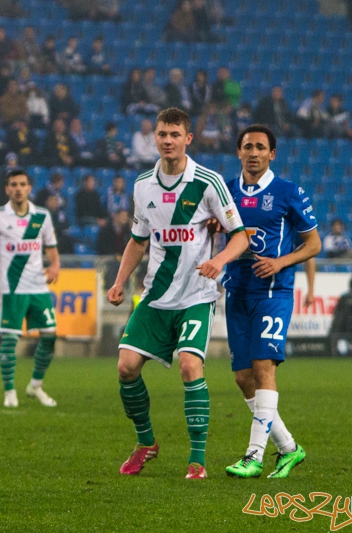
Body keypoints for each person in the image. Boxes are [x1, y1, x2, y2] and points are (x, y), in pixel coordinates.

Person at [106, 107, 249, 479]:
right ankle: (146, 443)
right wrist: (120, 281)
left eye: (174, 135)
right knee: (125, 367)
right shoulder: (142, 185)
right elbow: (138, 241)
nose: (167, 141)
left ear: (188, 138)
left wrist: (219, 260)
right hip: (156, 296)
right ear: (154, 137)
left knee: (189, 366)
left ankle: (197, 460)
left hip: (196, 296)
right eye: (162, 134)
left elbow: (240, 236)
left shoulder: (208, 181)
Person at [219, 124, 321, 479]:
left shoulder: (288, 192)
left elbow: (313, 244)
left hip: (273, 293)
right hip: (237, 291)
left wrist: (280, 262)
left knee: (263, 369)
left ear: (272, 154)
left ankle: (254, 456)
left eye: (260, 147)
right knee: (243, 377)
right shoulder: (225, 191)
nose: (254, 153)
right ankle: (290, 448)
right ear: (239, 151)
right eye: (248, 146)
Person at [0, 169, 61, 408]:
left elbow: (51, 245)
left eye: (22, 184)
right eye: (13, 184)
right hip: (12, 288)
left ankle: (35, 385)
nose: (18, 188)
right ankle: (10, 392)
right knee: (10, 340)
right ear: (7, 189)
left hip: (38, 287)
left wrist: (55, 264)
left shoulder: (41, 215)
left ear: (29, 188)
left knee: (50, 337)